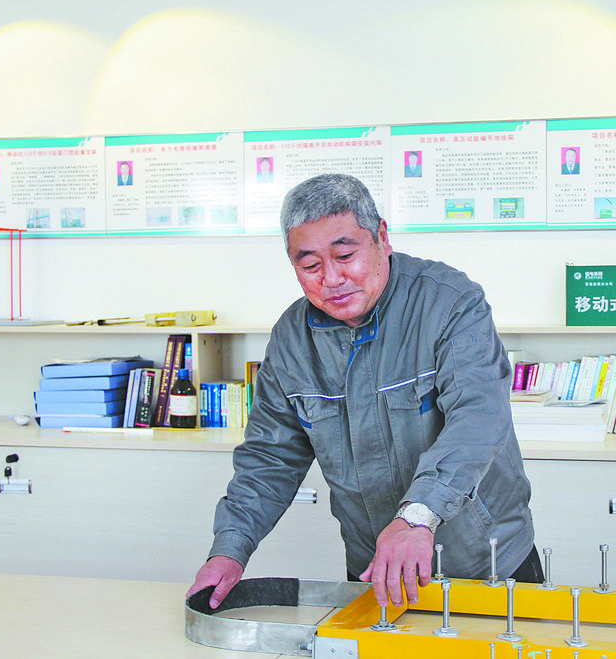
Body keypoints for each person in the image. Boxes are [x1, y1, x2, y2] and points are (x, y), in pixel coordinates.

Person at [187, 174, 540, 610]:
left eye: (345, 255)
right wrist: (229, 549)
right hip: (376, 570)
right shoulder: (292, 338)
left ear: (382, 238)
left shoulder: (450, 302)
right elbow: (270, 458)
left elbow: (478, 419)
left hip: (489, 564)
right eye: (310, 266)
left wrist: (418, 515)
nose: (332, 278)